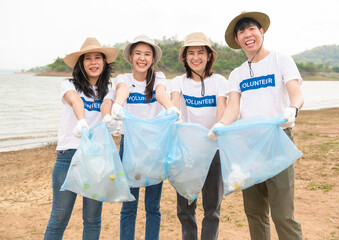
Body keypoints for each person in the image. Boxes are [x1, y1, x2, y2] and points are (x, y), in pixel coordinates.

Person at [208, 11, 303, 240]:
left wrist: (292, 110)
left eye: (251, 29)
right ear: (238, 40)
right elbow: (233, 108)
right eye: (241, 31)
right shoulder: (237, 73)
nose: (247, 35)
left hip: (276, 140)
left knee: (282, 214)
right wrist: (220, 125)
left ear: (261, 32)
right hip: (248, 146)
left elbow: (296, 94)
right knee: (254, 211)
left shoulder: (280, 59)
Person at [44, 37, 118, 240]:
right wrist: (82, 121)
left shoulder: (108, 90)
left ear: (104, 63)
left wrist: (108, 118)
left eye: (98, 58)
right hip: (69, 156)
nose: (93, 62)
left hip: (96, 159)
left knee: (93, 219)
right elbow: (75, 100)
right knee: (59, 216)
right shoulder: (68, 84)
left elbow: (106, 105)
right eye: (88, 58)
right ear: (81, 63)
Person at [111, 34, 180, 240]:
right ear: (131, 57)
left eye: (147, 54)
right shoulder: (123, 79)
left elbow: (160, 93)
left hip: (153, 147)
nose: (142, 58)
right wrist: (118, 104)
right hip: (130, 146)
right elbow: (122, 91)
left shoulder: (157, 78)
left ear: (152, 59)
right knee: (129, 204)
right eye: (138, 54)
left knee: (152, 206)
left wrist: (171, 108)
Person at [170, 32, 228, 240]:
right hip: (187, 152)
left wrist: (218, 126)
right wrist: (173, 115)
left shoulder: (219, 81)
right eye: (191, 53)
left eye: (201, 52)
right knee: (186, 208)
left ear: (209, 56)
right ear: (185, 57)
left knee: (212, 208)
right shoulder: (179, 82)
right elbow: (174, 102)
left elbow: (222, 107)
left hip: (213, 149)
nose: (196, 57)